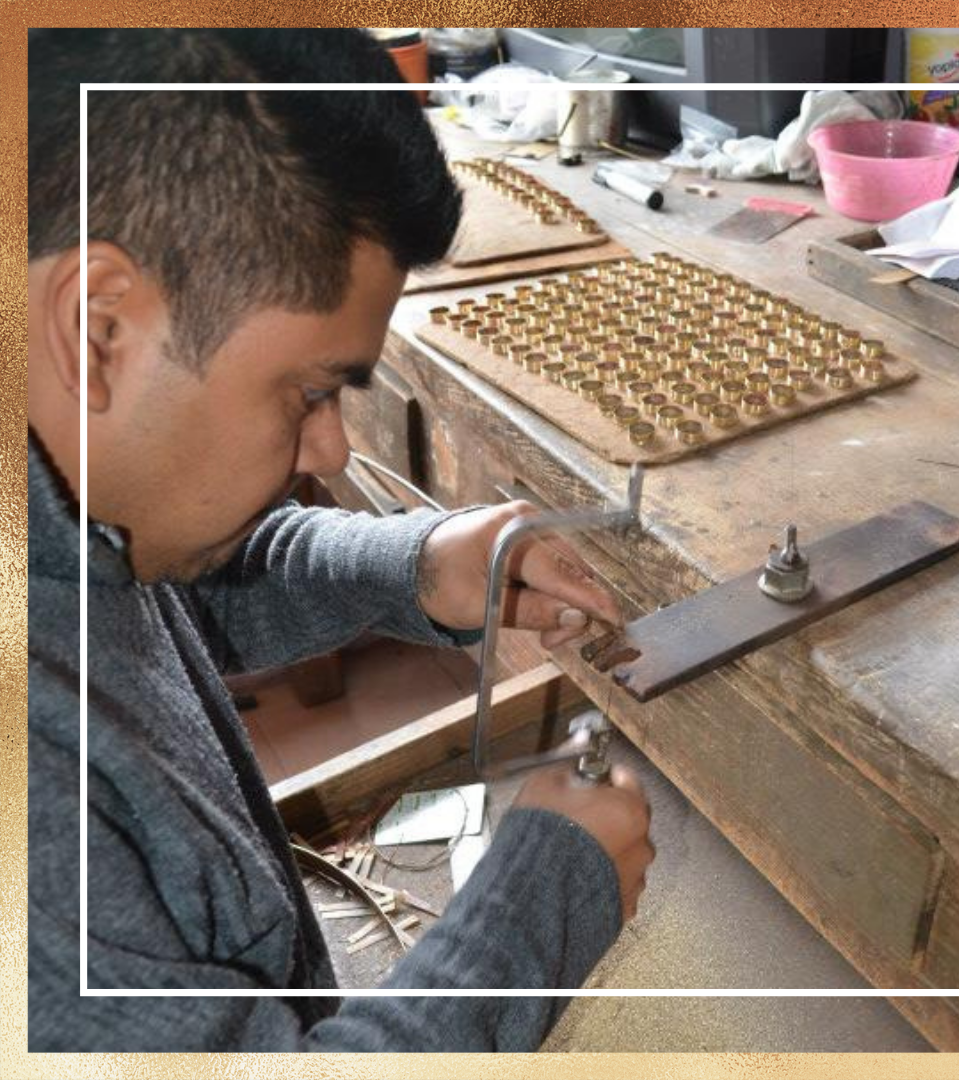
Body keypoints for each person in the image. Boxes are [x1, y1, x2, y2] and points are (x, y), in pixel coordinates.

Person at [28, 29, 654, 1052]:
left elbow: (173, 609)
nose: (326, 445)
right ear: (99, 329)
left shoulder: (78, 514)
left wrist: (416, 565)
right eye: (311, 391)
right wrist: (541, 900)